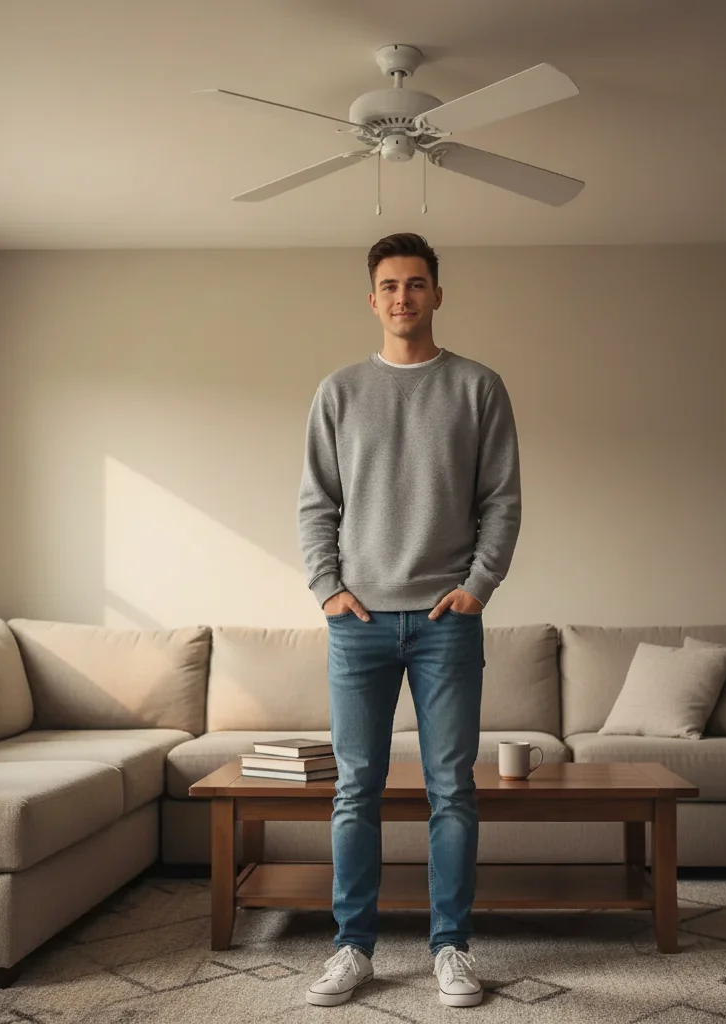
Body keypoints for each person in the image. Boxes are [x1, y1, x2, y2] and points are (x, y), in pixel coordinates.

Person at [296, 233, 521, 1007]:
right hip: (358, 624)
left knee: (451, 789)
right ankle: (352, 948)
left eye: (416, 284)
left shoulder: (478, 387)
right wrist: (328, 589)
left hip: (445, 622)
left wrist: (479, 586)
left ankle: (451, 948)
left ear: (436, 294)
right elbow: (316, 502)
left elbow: (501, 500)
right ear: (373, 299)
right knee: (355, 790)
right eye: (390, 286)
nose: (403, 297)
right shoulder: (339, 391)